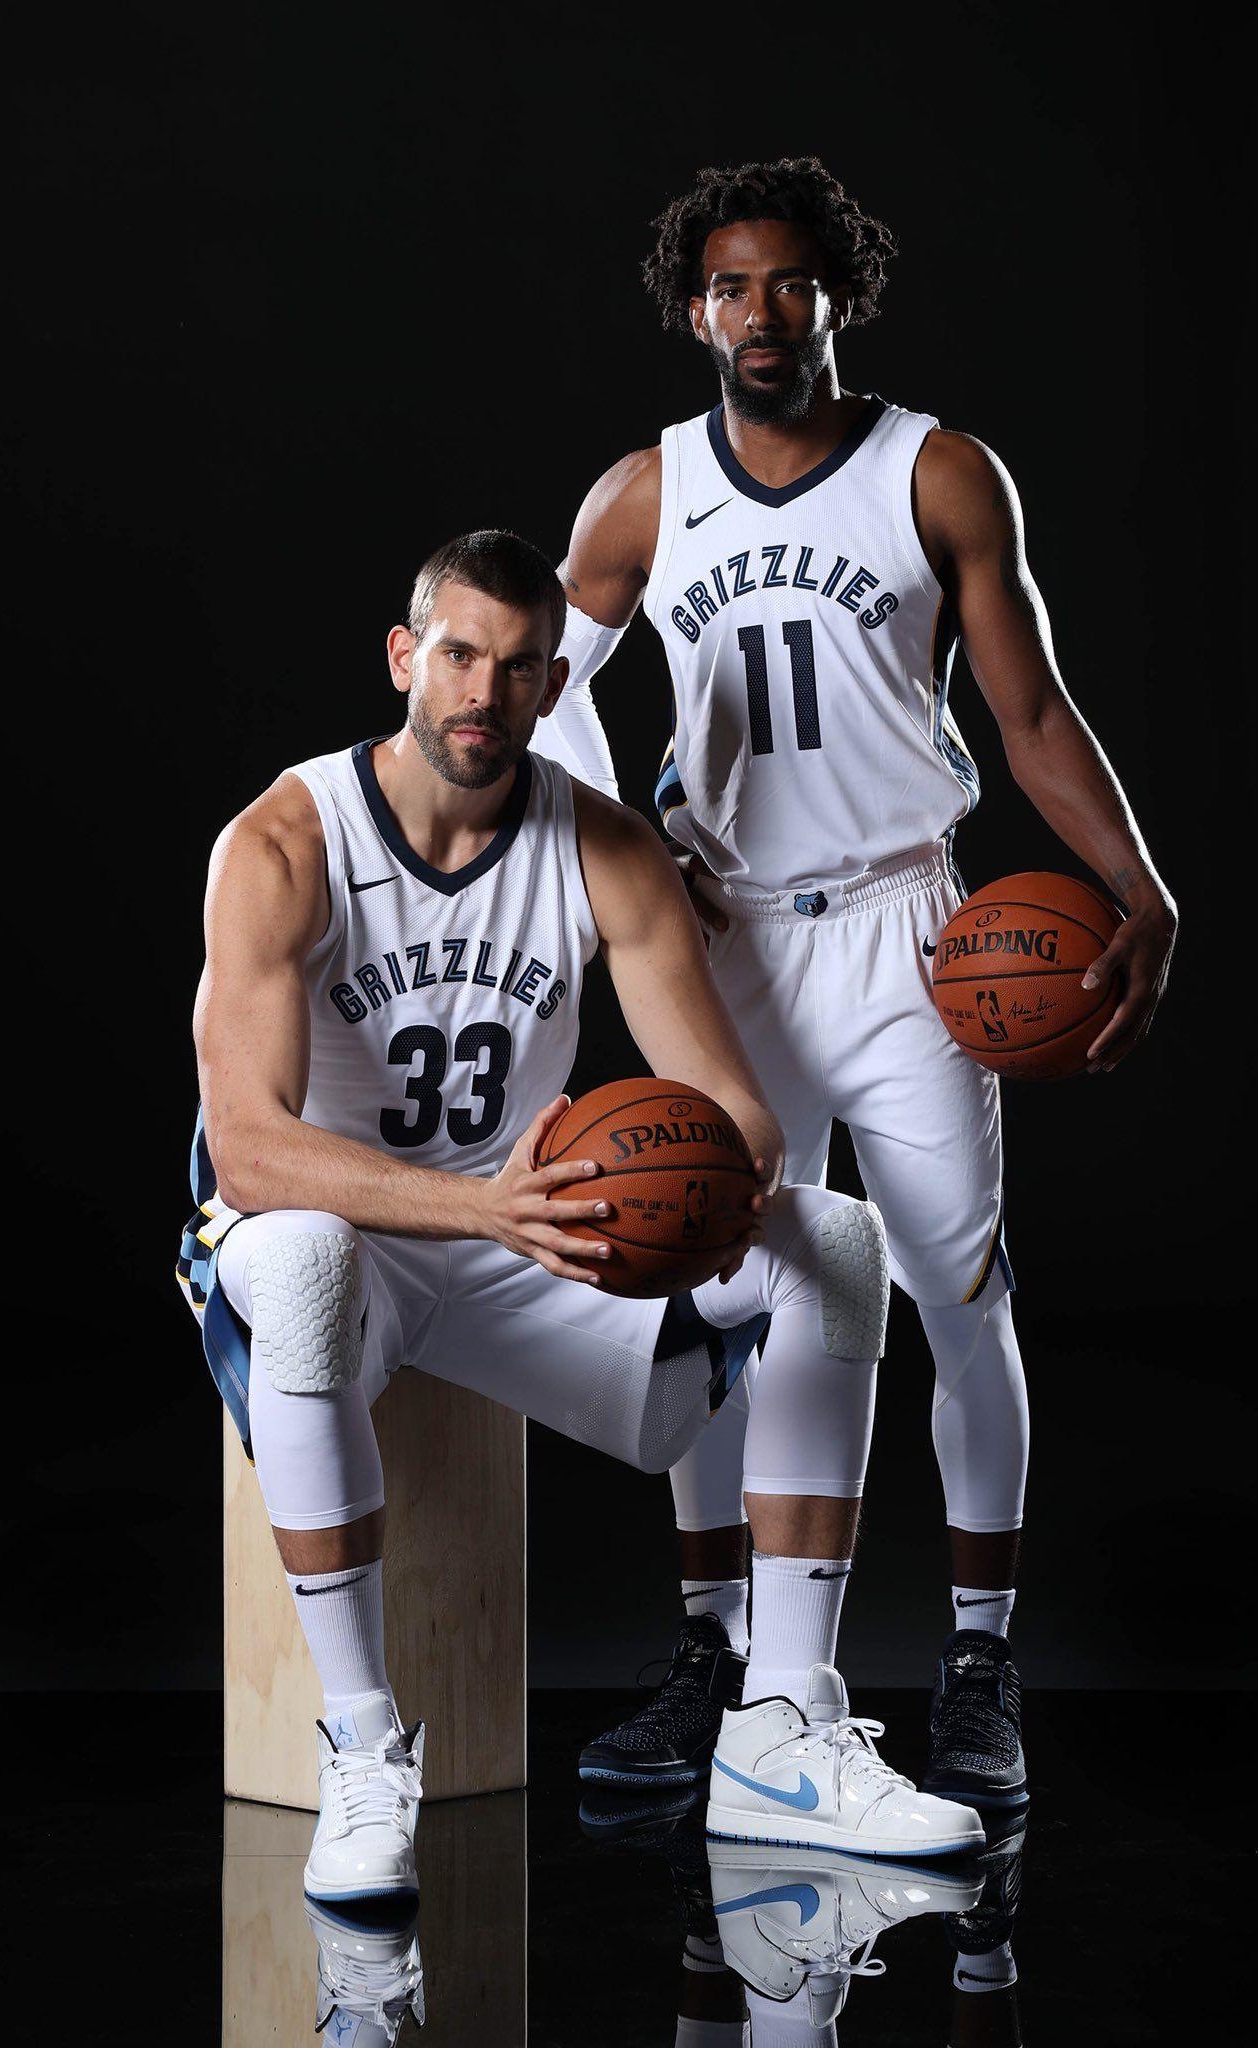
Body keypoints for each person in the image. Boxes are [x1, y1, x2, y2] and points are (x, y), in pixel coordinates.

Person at [177, 528, 984, 1907]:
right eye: (457, 657)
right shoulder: (286, 839)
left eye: (518, 667)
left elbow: (743, 1119)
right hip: (344, 1233)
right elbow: (247, 1153)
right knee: (303, 1259)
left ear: (555, 687)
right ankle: (368, 1753)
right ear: (404, 659)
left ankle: (782, 1730)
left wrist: (668, 1180)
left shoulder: (601, 843)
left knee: (831, 1242)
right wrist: (480, 1206)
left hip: (533, 1234)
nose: (482, 693)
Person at [532, 155, 1177, 1805]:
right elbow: (540, 688)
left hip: (909, 934)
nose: (762, 312)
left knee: (958, 1295)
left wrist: (1138, 885)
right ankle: (718, 1654)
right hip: (726, 943)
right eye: (732, 286)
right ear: (695, 309)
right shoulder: (643, 495)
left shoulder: (939, 471)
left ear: (841, 294)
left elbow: (1029, 714)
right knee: (711, 1281)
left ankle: (976, 1657)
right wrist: (619, 842)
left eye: (792, 282)